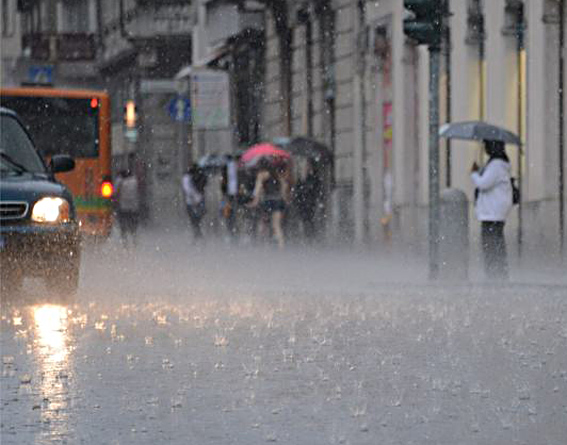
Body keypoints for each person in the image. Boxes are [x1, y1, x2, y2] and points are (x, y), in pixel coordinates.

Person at [471, 140, 513, 280]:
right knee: (495, 242)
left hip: (492, 212)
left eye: (487, 145)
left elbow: (484, 184)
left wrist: (474, 174)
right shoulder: (498, 164)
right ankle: (497, 272)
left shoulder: (496, 165)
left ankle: (494, 273)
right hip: (494, 212)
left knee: (491, 244)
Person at [247, 159, 290, 249]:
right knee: (276, 225)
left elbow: (257, 189)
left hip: (268, 201)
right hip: (278, 200)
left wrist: (255, 200)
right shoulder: (276, 174)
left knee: (263, 223)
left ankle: (262, 244)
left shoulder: (262, 175)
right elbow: (284, 186)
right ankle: (281, 246)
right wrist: (284, 198)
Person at [295, 159, 322, 242]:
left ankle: (311, 237)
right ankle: (307, 237)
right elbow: (297, 190)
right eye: (305, 166)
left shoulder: (314, 178)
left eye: (307, 166)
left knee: (309, 220)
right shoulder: (301, 179)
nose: (306, 168)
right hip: (302, 203)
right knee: (304, 220)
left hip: (310, 203)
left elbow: (317, 190)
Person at [114, 169, 140, 248]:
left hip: (123, 207)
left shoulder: (120, 181)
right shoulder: (135, 181)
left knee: (123, 226)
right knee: (133, 226)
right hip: (134, 207)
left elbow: (115, 193)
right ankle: (134, 241)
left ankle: (125, 243)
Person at [182, 164, 207, 241]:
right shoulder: (191, 177)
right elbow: (189, 190)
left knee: (195, 220)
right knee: (195, 220)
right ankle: (198, 235)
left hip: (193, 201)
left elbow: (188, 190)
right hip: (195, 201)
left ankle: (197, 235)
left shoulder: (189, 178)